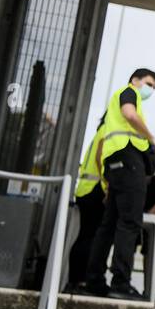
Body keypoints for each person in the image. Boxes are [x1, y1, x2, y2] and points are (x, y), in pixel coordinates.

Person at [82, 68, 155, 300]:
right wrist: (151, 137)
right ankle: (121, 283)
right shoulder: (129, 93)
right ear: (135, 80)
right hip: (128, 161)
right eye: (149, 84)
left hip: (115, 163)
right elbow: (130, 114)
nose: (150, 90)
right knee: (130, 222)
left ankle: (94, 280)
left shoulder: (119, 102)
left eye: (154, 87)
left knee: (109, 224)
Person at [64, 116, 107, 293]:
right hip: (95, 189)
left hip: (85, 188)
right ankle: (81, 280)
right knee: (91, 237)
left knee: (85, 235)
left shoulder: (99, 131)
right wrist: (107, 184)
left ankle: (75, 280)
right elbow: (101, 157)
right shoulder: (108, 131)